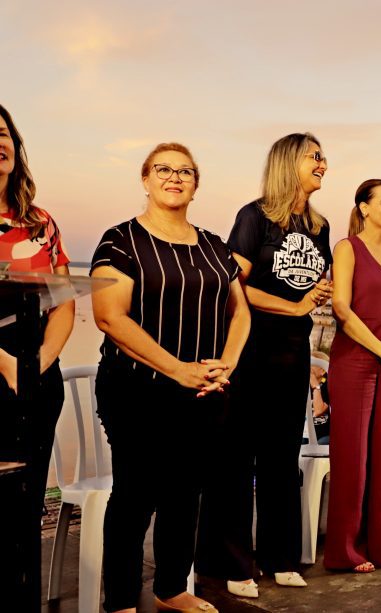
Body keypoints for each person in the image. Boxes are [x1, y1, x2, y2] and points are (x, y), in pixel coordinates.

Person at [90, 142, 250, 613]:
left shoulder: (213, 245)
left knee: (185, 494)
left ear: (196, 185)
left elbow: (240, 310)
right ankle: (121, 600)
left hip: (203, 391)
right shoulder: (121, 240)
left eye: (185, 171)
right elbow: (109, 316)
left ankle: (171, 590)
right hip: (136, 390)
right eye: (163, 169)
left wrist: (227, 363)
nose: (174, 177)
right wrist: (178, 369)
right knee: (135, 495)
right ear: (145, 179)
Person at [196, 132, 333, 598]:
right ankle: (232, 564)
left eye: (323, 157)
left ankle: (281, 558)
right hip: (249, 351)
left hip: (293, 353)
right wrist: (293, 306)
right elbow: (233, 287)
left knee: (281, 457)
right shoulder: (254, 217)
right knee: (237, 460)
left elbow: (306, 286)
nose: (323, 164)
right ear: (288, 162)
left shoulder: (319, 226)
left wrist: (316, 296)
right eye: (314, 156)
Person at [0, 103, 75, 608]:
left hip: (36, 376)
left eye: (3, 133)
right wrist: (5, 365)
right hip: (2, 373)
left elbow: (64, 301)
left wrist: (37, 364)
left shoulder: (39, 222)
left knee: (25, 510)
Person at [324, 179, 381, 572]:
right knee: (352, 457)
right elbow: (342, 309)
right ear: (363, 207)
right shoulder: (347, 248)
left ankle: (379, 544)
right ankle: (344, 550)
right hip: (354, 362)